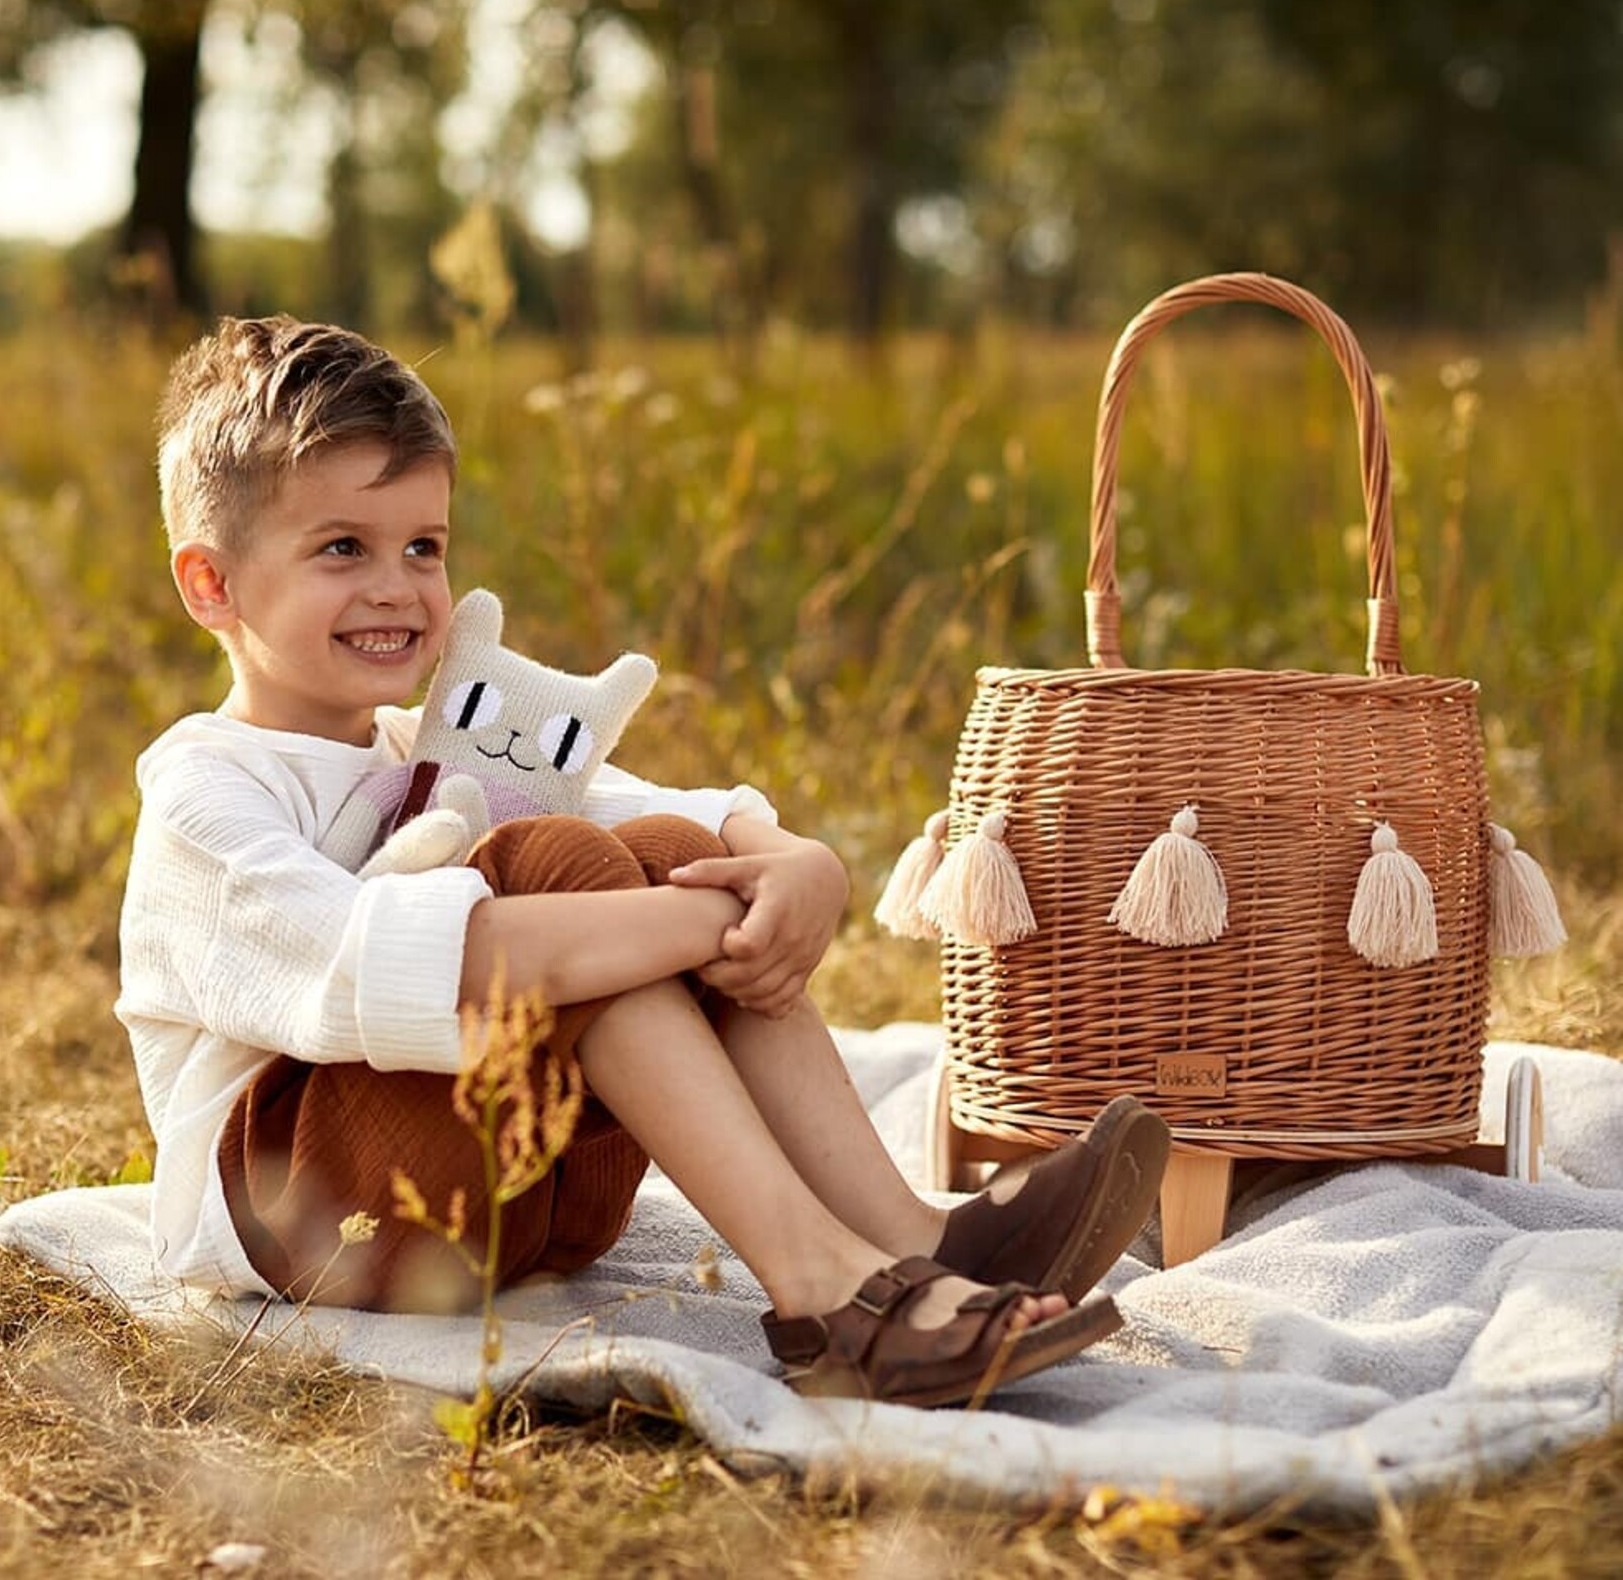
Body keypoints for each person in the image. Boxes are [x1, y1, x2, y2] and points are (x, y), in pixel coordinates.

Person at [116, 315, 1172, 1408]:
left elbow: (664, 811)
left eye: (422, 546)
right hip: (309, 1214)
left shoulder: (417, 743)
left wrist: (787, 860)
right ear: (212, 585)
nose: (398, 585)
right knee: (560, 863)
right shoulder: (207, 792)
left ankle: (909, 1238)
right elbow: (391, 962)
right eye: (344, 547)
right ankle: (825, 1291)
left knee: (659, 852)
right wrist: (718, 922)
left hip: (528, 1198)